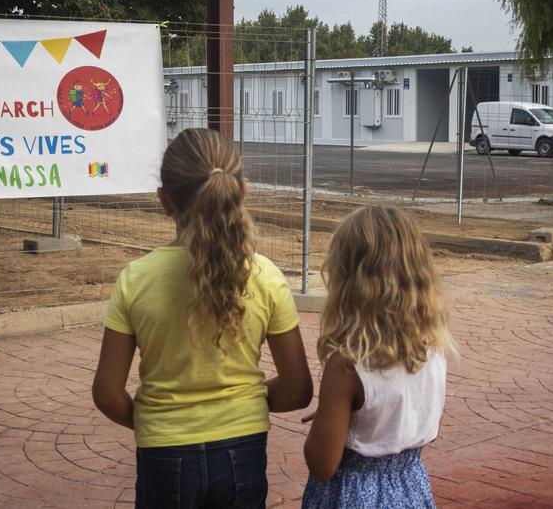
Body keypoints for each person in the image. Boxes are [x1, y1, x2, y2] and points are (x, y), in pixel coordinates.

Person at [92, 128, 313, 509]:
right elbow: (297, 389)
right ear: (241, 192)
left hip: (163, 449)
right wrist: (246, 403)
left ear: (164, 201)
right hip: (243, 447)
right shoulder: (266, 277)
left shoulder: (136, 279)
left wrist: (157, 421)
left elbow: (108, 393)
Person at [301, 206, 455, 508]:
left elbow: (322, 464)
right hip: (410, 485)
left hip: (352, 494)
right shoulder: (434, 349)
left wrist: (325, 417)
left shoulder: (347, 365)